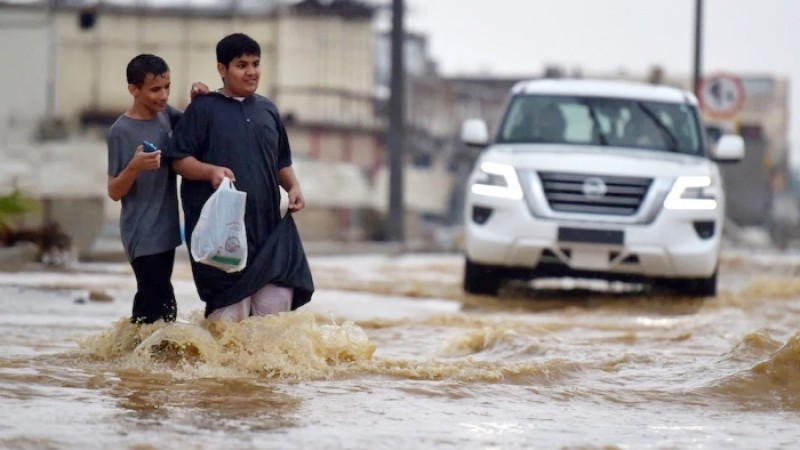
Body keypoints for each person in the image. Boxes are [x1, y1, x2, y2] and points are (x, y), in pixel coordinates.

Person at [164, 32, 314, 322]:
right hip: (223, 239)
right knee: (226, 331)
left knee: (273, 330)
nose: (252, 72)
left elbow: (281, 161)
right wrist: (210, 171)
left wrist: (294, 186)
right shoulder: (203, 109)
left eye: (256, 64)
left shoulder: (268, 110)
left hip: (270, 236)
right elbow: (179, 161)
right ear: (222, 69)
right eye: (242, 65)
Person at [106, 53, 208, 324]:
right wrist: (134, 166)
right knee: (163, 304)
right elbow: (114, 191)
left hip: (166, 231)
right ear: (134, 89)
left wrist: (197, 101)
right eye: (155, 90)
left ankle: (128, 358)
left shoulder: (166, 116)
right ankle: (148, 357)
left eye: (167, 88)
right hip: (141, 232)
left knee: (150, 303)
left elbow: (192, 127)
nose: (163, 96)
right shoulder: (121, 131)